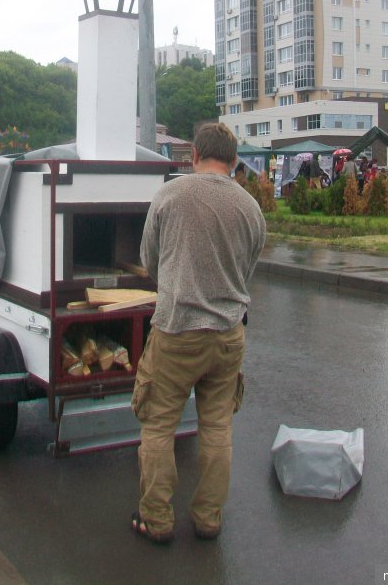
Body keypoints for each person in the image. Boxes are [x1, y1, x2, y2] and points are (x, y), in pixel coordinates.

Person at [131, 122, 267, 544]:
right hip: (228, 335)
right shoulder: (250, 209)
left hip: (176, 333)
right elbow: (247, 271)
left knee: (158, 427)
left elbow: (149, 260)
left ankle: (156, 519)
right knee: (217, 428)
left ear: (193, 155)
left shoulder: (169, 195)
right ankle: (208, 519)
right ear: (233, 161)